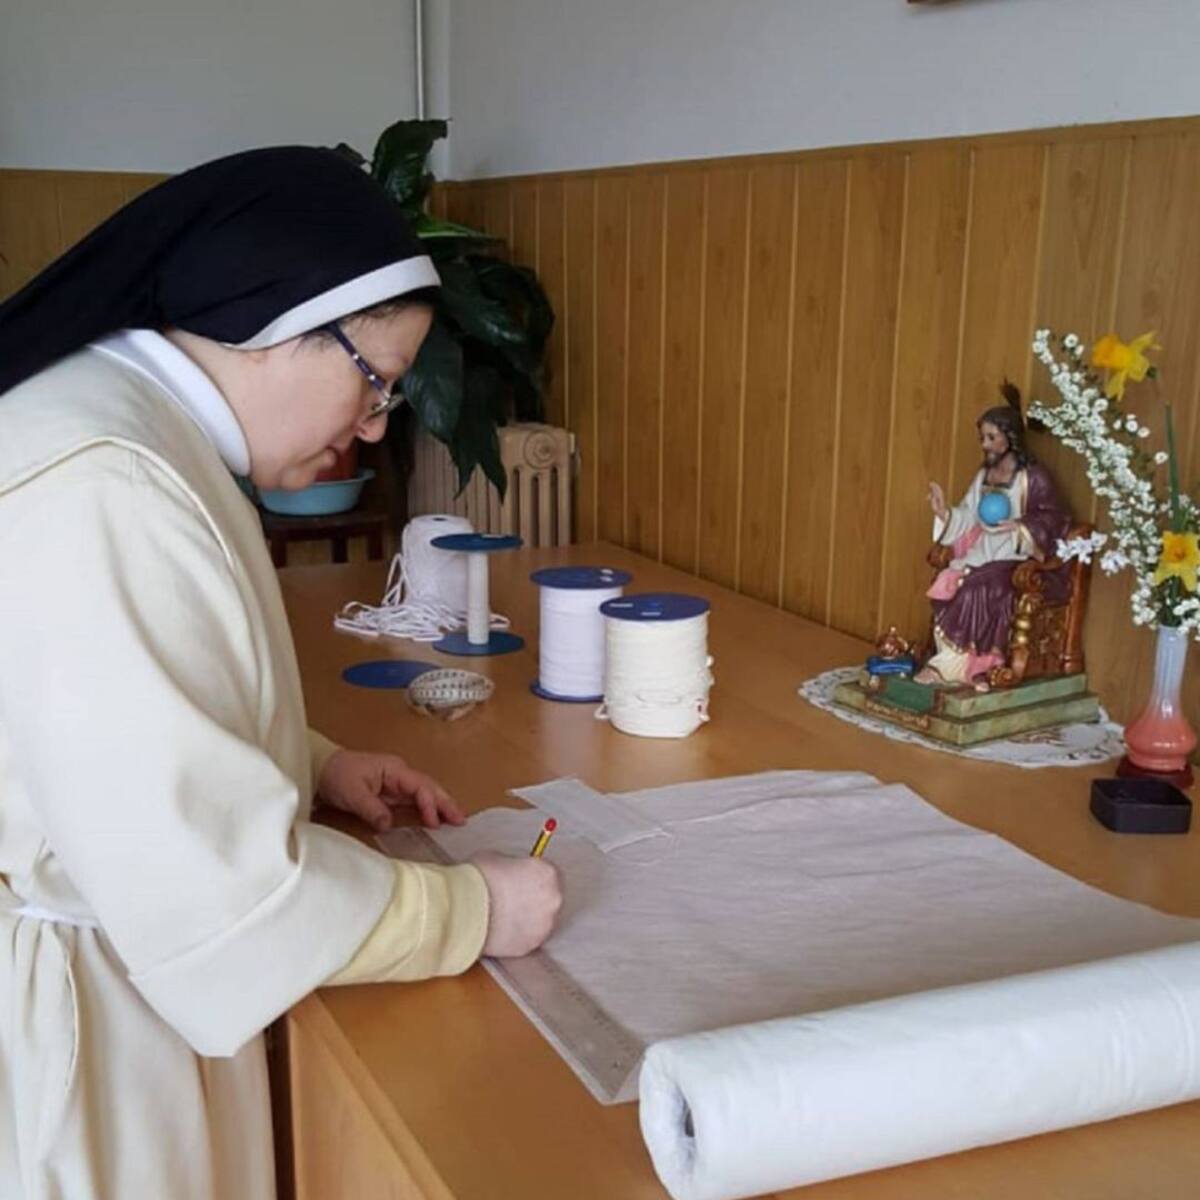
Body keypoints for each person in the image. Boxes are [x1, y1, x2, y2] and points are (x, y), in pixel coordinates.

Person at [0, 146, 562, 1199]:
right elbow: (220, 897)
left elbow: (132, 715)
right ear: (274, 333)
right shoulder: (103, 486)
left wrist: (307, 762)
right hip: (85, 1030)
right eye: (376, 383)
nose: (374, 426)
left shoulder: (124, 426)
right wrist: (472, 912)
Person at [915, 394, 1071, 688]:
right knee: (952, 578)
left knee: (979, 588)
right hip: (981, 551)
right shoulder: (984, 475)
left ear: (1009, 439)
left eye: (991, 437)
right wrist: (943, 511)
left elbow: (1054, 519)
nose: (985, 445)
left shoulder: (1033, 478)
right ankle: (956, 665)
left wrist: (1021, 526)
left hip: (1014, 557)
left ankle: (958, 668)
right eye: (982, 438)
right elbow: (968, 515)